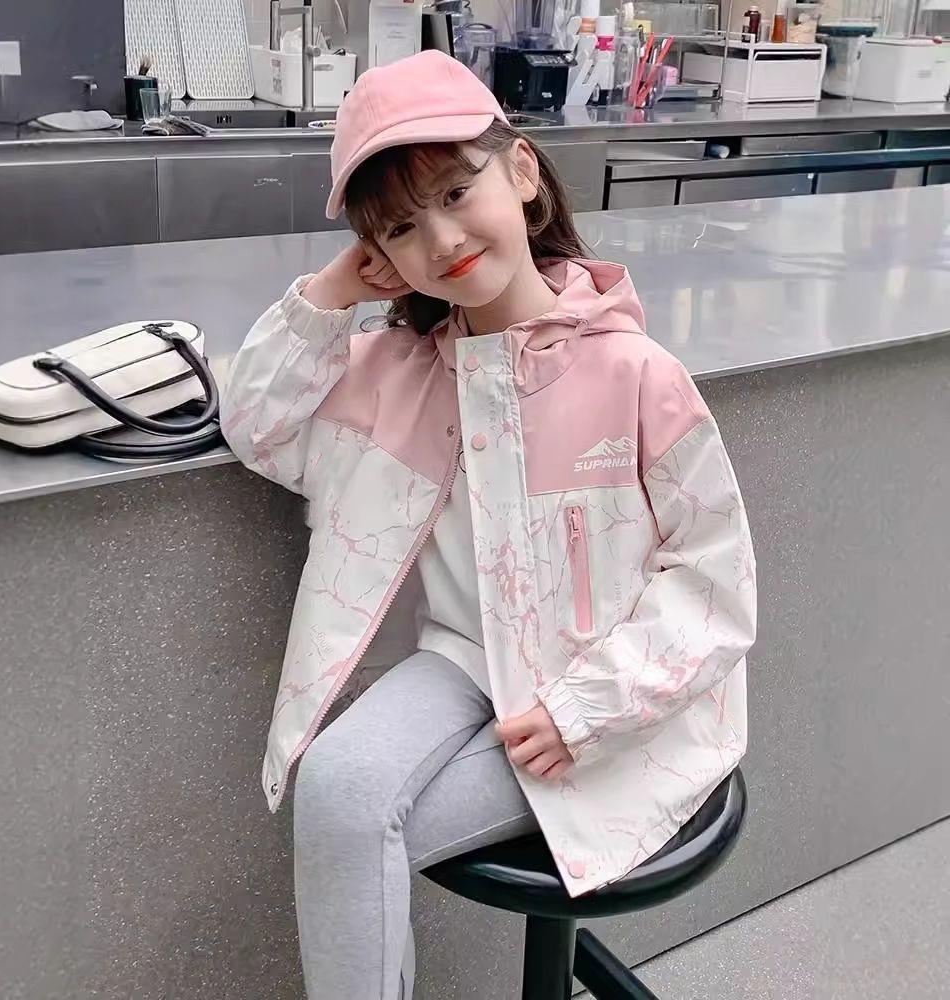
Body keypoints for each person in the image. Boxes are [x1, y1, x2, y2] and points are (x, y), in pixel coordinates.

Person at [220, 49, 757, 1000]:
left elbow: (715, 583)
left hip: (614, 697)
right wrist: (336, 289)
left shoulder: (636, 375)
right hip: (466, 664)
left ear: (521, 172)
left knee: (350, 825)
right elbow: (257, 426)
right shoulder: (397, 371)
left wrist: (585, 708)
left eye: (457, 192)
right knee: (337, 786)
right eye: (399, 228)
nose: (441, 239)